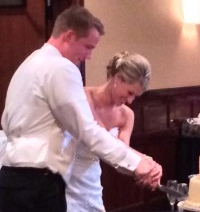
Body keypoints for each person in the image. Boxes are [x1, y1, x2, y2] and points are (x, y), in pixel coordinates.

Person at [0, 6, 160, 212]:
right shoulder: (62, 68)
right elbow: (86, 130)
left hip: (10, 179)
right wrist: (136, 164)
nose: (89, 56)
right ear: (69, 36)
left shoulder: (29, 63)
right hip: (37, 183)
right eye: (88, 47)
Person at [65, 51, 162, 212]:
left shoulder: (127, 115)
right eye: (130, 93)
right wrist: (142, 162)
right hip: (65, 175)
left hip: (90, 181)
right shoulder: (81, 97)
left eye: (135, 97)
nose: (130, 101)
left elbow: (120, 153)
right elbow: (96, 138)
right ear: (117, 79)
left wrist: (150, 165)